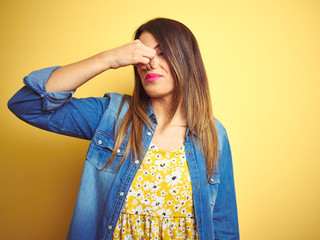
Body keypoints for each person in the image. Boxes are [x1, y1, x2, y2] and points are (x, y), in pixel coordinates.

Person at [8, 18, 239, 240]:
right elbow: (26, 104)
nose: (149, 63)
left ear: (186, 59)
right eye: (143, 55)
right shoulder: (112, 116)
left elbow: (224, 226)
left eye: (162, 53)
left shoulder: (214, 134)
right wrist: (109, 59)